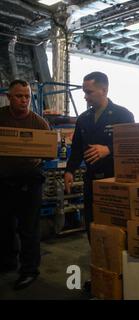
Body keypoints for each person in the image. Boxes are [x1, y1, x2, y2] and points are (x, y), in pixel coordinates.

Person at [64, 72, 134, 242]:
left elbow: (132, 148)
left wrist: (109, 149)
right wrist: (69, 171)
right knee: (91, 220)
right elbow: (77, 149)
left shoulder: (123, 115)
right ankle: (97, 255)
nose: (85, 97)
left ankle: (116, 258)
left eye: (89, 92)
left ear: (104, 90)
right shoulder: (83, 119)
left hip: (114, 179)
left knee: (115, 222)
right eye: (84, 92)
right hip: (91, 179)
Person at [0, 80, 50, 290]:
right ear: (9, 97)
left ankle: (29, 270)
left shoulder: (39, 123)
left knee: (29, 230)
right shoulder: (1, 117)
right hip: (3, 183)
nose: (24, 100)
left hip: (30, 185)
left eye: (27, 96)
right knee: (3, 227)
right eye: (19, 96)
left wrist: (40, 157)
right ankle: (7, 262)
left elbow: (48, 151)